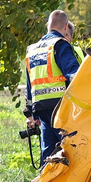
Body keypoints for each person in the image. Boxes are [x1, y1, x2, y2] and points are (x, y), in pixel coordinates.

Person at [23, 10, 81, 167]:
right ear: (64, 27)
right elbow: (73, 74)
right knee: (71, 150)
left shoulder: (32, 49)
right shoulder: (60, 44)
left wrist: (30, 113)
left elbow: (30, 84)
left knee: (48, 152)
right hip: (61, 108)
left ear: (48, 26)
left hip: (42, 108)